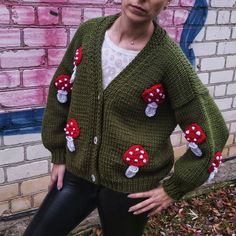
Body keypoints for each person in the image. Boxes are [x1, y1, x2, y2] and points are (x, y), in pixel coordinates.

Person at [23, 0, 229, 235]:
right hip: (76, 174)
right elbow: (61, 91)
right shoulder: (89, 34)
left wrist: (173, 188)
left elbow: (213, 129)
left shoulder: (170, 61)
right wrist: (59, 154)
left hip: (130, 189)